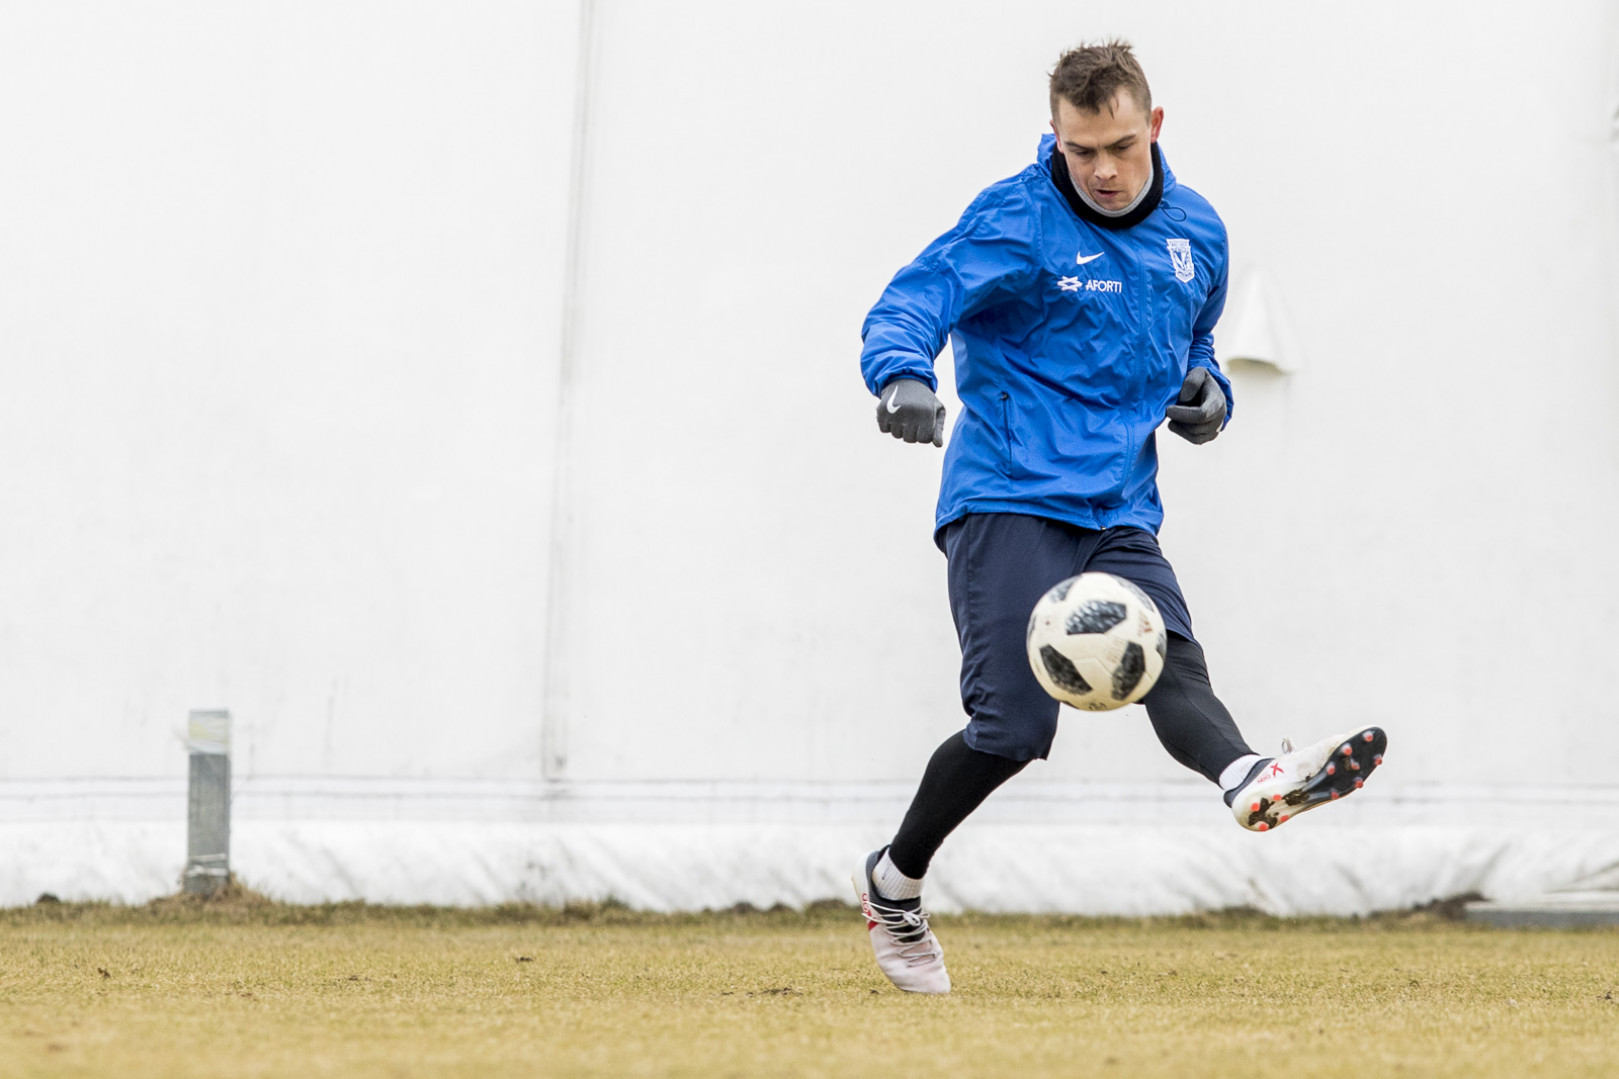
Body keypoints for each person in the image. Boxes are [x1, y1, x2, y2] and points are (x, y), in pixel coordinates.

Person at [852, 40, 1386, 995]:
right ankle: (893, 884)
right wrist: (901, 375)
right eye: (1080, 149)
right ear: (1054, 137)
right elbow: (915, 298)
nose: (1101, 169)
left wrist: (1208, 390)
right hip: (1008, 493)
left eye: (1120, 146)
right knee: (1011, 727)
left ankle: (1247, 776)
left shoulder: (1197, 233)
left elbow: (1195, 341)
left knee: (1169, 661)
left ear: (1155, 127)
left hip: (1118, 507)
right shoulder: (1015, 219)